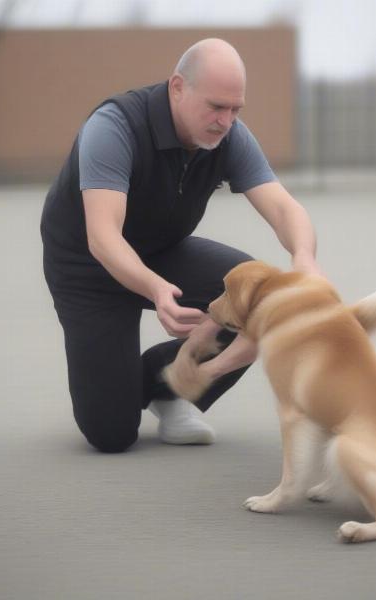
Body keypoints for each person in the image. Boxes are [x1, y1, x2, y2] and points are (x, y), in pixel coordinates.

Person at [40, 38, 320, 453]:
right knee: (111, 433)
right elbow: (103, 238)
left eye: (235, 109)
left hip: (160, 250)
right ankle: (118, 391)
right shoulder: (114, 127)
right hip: (88, 267)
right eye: (215, 107)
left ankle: (167, 388)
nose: (226, 121)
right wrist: (155, 289)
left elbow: (282, 208)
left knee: (264, 301)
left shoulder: (230, 136)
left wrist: (304, 259)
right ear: (177, 88)